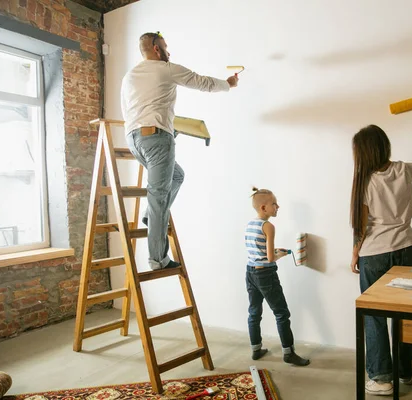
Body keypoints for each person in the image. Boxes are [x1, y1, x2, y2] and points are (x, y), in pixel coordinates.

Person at [120, 32, 238, 270]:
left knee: (177, 176)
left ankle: (149, 217)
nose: (168, 52)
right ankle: (158, 259)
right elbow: (201, 82)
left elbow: (135, 110)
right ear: (155, 48)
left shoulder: (130, 76)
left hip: (134, 141)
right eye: (165, 47)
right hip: (156, 140)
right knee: (159, 198)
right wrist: (229, 84)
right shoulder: (165, 68)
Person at [350, 122, 412, 396]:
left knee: (375, 316)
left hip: (375, 253)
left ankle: (380, 378)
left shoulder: (364, 180)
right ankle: (404, 371)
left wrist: (355, 253)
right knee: (405, 311)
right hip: (406, 248)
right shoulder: (404, 169)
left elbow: (361, 226)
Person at [245, 187, 310, 366]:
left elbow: (258, 251)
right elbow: (270, 258)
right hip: (266, 274)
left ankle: (256, 349)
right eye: (274, 204)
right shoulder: (268, 226)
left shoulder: (251, 224)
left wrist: (273, 252)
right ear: (263, 208)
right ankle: (289, 353)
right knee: (281, 313)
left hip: (250, 272)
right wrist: (280, 254)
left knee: (254, 311)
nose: (278, 206)